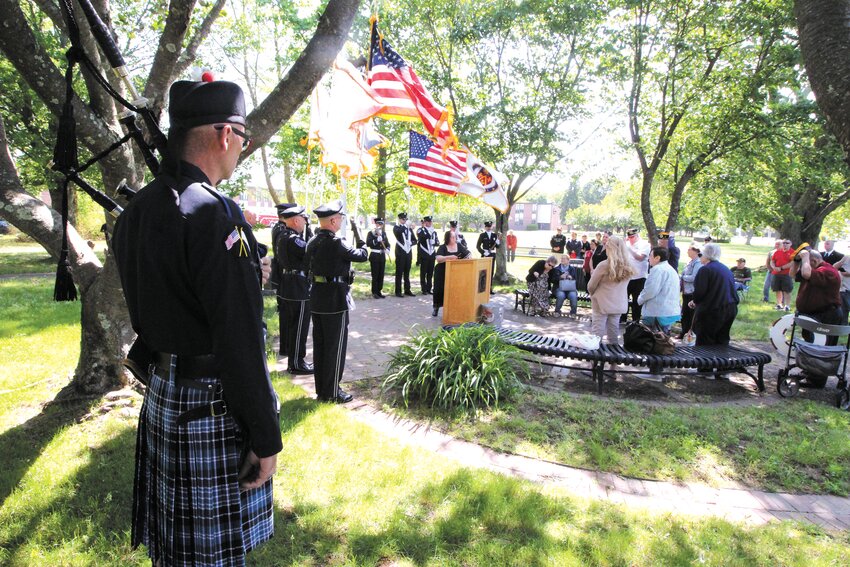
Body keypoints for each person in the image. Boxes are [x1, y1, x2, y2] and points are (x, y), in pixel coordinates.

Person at [112, 79, 280, 564]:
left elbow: (167, 294)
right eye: (243, 140)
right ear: (225, 134)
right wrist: (265, 436)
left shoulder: (138, 210)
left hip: (165, 396)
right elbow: (239, 336)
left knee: (175, 554)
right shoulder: (213, 212)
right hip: (211, 405)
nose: (241, 150)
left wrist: (244, 271)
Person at [305, 200, 368, 403]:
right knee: (335, 346)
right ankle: (332, 392)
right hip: (335, 300)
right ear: (332, 220)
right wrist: (361, 238)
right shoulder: (337, 243)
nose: (341, 221)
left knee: (321, 346)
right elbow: (362, 255)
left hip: (317, 298)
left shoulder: (312, 242)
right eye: (339, 218)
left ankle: (322, 390)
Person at [276, 205, 314, 375]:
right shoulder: (293, 239)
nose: (305, 223)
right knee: (299, 326)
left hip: (288, 284)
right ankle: (297, 363)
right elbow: (310, 253)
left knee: (293, 326)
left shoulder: (283, 236)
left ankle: (294, 361)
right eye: (304, 220)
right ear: (296, 220)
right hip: (297, 286)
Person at [587, 236, 634, 344]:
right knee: (613, 334)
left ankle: (595, 359)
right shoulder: (628, 266)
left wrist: (593, 293)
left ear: (609, 248)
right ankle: (613, 358)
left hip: (601, 303)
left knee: (597, 335)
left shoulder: (603, 265)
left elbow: (591, 285)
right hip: (618, 303)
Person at [689, 243, 738, 346]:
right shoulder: (725, 268)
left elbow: (700, 292)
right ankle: (722, 360)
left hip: (713, 310)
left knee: (705, 341)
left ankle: (705, 361)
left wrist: (694, 301)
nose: (700, 257)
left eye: (700, 255)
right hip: (730, 307)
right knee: (722, 340)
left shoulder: (705, 269)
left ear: (706, 256)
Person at [791, 249, 843, 347]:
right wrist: (796, 261)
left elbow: (806, 274)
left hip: (826, 315)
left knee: (823, 348)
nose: (804, 265)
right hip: (811, 315)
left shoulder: (827, 271)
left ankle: (821, 362)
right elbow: (792, 274)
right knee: (809, 345)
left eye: (806, 262)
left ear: (814, 261)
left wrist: (805, 257)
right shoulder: (812, 269)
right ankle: (807, 362)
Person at [637, 247, 681, 333]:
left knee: (656, 340)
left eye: (650, 256)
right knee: (662, 338)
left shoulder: (658, 269)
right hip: (666, 311)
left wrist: (640, 299)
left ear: (657, 258)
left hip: (658, 312)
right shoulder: (669, 269)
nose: (648, 259)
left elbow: (650, 291)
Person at [272, 201, 295, 358]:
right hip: (283, 274)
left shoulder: (278, 228)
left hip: (281, 274)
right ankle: (286, 347)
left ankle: (286, 346)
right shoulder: (282, 230)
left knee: (286, 312)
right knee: (287, 313)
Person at [432, 230, 470, 317]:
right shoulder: (442, 247)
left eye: (455, 237)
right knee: (439, 290)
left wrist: (467, 258)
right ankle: (436, 307)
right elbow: (438, 259)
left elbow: (467, 254)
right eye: (452, 237)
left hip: (455, 273)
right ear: (448, 238)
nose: (454, 238)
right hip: (442, 271)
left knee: (454, 290)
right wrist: (450, 257)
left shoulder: (459, 245)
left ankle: (453, 308)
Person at [625, 227, 651, 322]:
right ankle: (623, 319)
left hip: (639, 277)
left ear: (637, 236)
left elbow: (640, 257)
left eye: (632, 237)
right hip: (627, 277)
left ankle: (635, 321)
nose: (630, 239)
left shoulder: (644, 244)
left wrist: (629, 249)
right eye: (629, 237)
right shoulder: (626, 244)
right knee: (624, 299)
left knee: (637, 301)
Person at [679, 244, 702, 339]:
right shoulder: (690, 262)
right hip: (686, 292)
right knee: (685, 314)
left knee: (691, 315)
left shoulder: (698, 263)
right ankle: (683, 332)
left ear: (696, 251)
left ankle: (691, 334)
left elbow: (694, 277)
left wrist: (682, 277)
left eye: (689, 249)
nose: (687, 251)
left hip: (692, 292)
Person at [366, 217, 390, 299]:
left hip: (382, 256)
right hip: (375, 256)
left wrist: (388, 249)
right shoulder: (371, 233)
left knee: (381, 275)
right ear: (375, 224)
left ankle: (379, 291)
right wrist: (376, 240)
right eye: (378, 223)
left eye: (381, 224)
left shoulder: (384, 233)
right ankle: (374, 292)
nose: (380, 225)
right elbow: (368, 243)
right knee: (375, 275)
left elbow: (387, 244)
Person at [393, 212, 415, 297]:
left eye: (405, 219)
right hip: (400, 252)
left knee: (407, 272)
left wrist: (411, 243)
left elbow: (415, 240)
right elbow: (398, 233)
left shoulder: (409, 229)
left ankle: (407, 290)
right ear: (399, 219)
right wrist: (406, 226)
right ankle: (398, 291)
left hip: (408, 252)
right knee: (399, 272)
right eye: (403, 219)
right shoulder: (396, 227)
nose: (404, 221)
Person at [417, 216, 439, 295]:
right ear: (425, 222)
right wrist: (428, 233)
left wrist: (435, 242)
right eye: (428, 222)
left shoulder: (434, 231)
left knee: (430, 272)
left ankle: (429, 288)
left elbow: (438, 242)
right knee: (423, 272)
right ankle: (424, 289)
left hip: (432, 254)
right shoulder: (420, 230)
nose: (430, 223)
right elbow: (421, 237)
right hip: (424, 254)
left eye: (431, 222)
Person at [770, 239, 795, 311]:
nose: (785, 244)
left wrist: (781, 268)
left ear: (790, 244)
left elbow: (792, 263)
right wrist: (774, 267)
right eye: (784, 243)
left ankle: (787, 305)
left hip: (787, 274)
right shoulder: (777, 251)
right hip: (776, 273)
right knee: (777, 289)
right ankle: (779, 304)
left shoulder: (793, 252)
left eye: (787, 243)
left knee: (787, 290)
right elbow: (772, 261)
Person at [476, 220, 500, 289]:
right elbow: (478, 246)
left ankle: (490, 288)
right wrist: (483, 252)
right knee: (483, 271)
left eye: (490, 226)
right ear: (485, 227)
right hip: (485, 255)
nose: (489, 228)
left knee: (491, 271)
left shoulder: (494, 235)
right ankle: (482, 287)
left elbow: (498, 247)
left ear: (491, 227)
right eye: (487, 227)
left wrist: (498, 242)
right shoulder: (482, 235)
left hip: (492, 255)